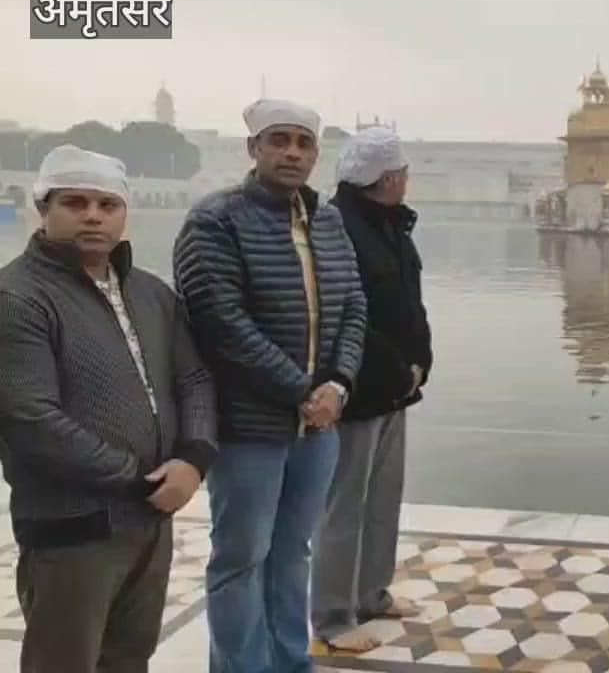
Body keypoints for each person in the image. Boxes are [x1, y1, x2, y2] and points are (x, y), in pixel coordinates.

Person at [0, 145, 217, 673]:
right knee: (65, 661)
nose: (93, 215)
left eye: (107, 204)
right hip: (73, 526)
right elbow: (31, 418)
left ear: (123, 213)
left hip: (149, 522)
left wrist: (193, 459)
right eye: (75, 202)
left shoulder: (150, 293)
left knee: (128, 658)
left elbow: (194, 378)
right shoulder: (18, 296)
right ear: (43, 210)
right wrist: (139, 481)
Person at [173, 99, 367, 673]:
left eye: (303, 143)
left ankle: (290, 662)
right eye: (278, 140)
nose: (292, 152)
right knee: (241, 558)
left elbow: (355, 305)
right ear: (253, 149)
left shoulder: (327, 220)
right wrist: (302, 390)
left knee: (291, 555)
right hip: (248, 427)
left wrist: (338, 385)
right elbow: (220, 321)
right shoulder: (216, 221)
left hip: (317, 429)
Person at [311, 127, 433, 652]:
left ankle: (371, 594)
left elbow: (408, 304)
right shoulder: (337, 228)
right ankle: (335, 618)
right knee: (345, 505)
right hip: (357, 390)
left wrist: (421, 360)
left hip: (397, 389)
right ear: (386, 178)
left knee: (383, 497)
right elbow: (348, 312)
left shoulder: (389, 226)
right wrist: (397, 367)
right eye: (404, 172)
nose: (407, 180)